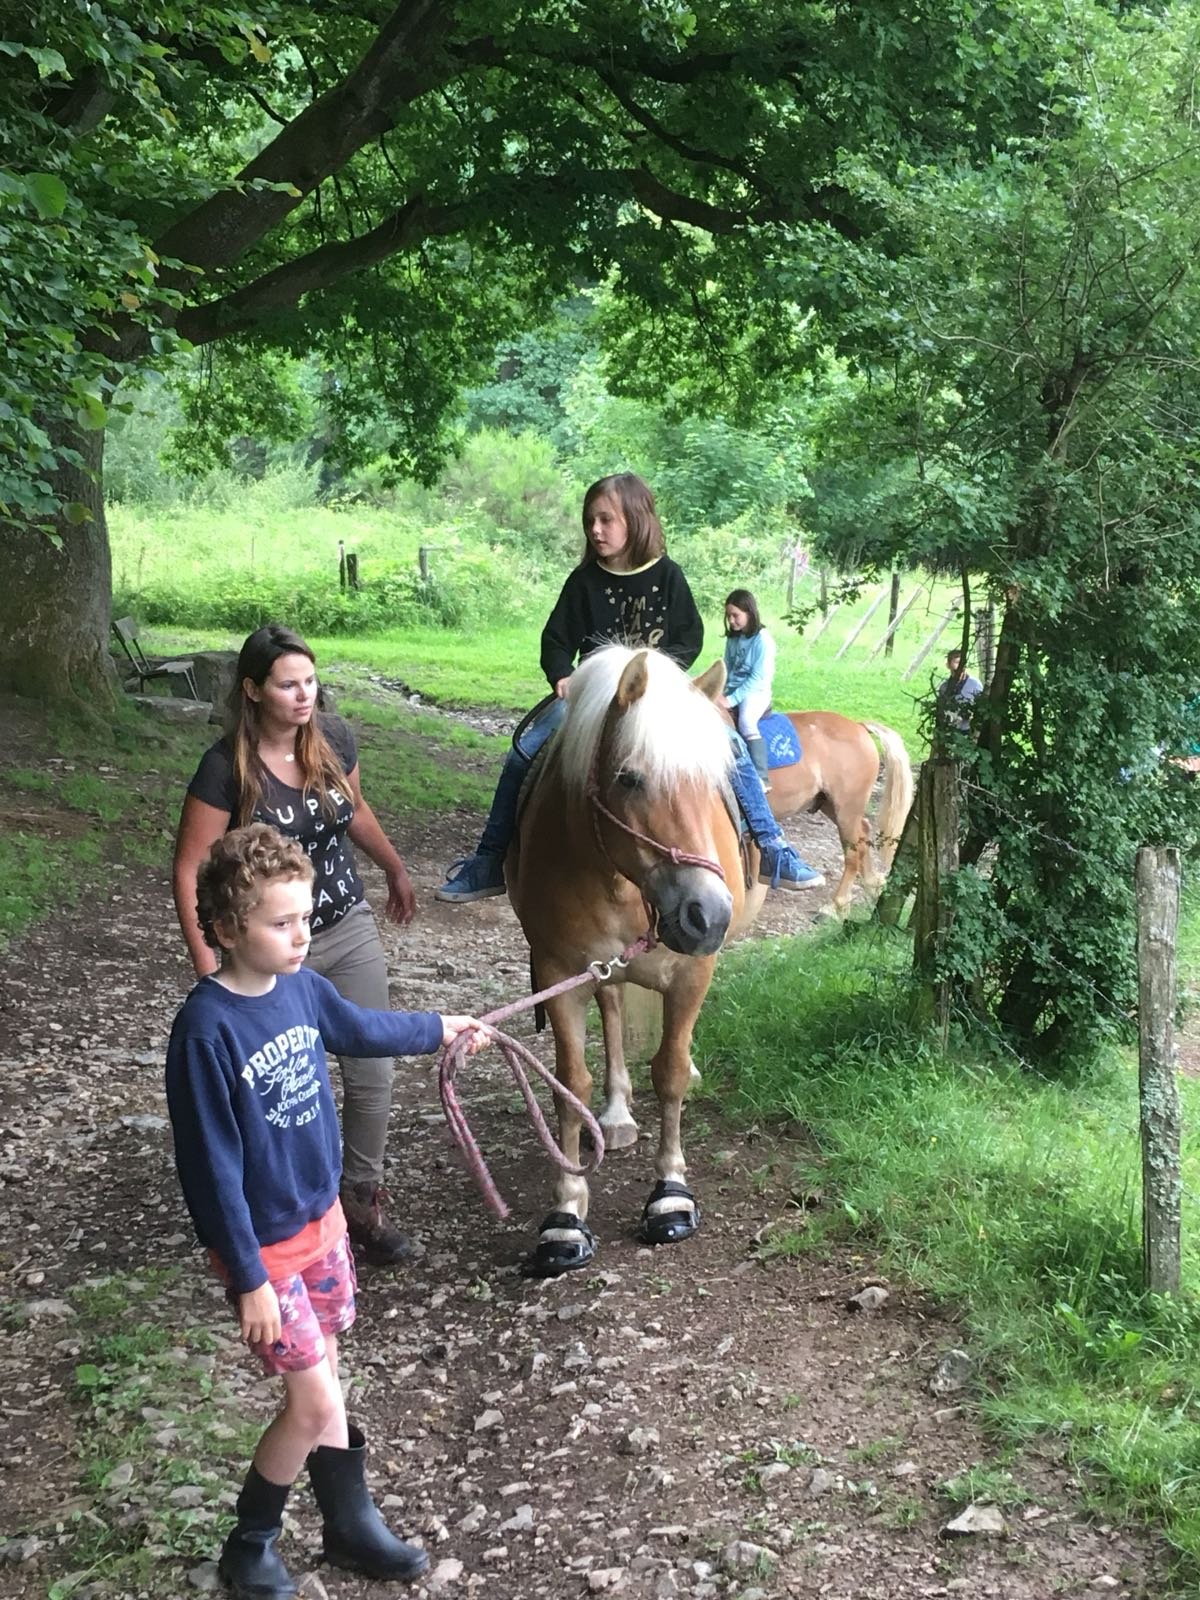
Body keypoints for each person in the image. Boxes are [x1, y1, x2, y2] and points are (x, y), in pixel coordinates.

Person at [166, 824, 488, 1600]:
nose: (301, 935)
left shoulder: (304, 990)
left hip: (324, 1228)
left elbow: (361, 1029)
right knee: (310, 1405)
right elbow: (210, 1172)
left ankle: (348, 1526)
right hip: (266, 1253)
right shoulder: (206, 1031)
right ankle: (250, 1544)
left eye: (305, 917)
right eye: (280, 922)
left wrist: (439, 1028)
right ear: (226, 928)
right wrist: (247, 1277)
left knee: (328, 1380)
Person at [435, 472, 823, 902]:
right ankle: (489, 859)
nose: (595, 529)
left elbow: (688, 637)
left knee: (731, 746)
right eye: (590, 520)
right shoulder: (584, 581)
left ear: (635, 521)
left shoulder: (667, 576)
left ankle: (771, 846)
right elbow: (556, 639)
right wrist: (562, 675)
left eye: (607, 519)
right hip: (593, 699)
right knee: (524, 752)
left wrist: (660, 680)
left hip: (660, 697)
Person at [174, 624, 419, 1267]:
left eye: (310, 681)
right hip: (265, 946)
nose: (304, 694)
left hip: (342, 920)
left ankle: (359, 1199)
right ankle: (282, 1206)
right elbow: (191, 865)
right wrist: (209, 962)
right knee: (285, 1081)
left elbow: (354, 808)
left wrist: (393, 867)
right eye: (288, 685)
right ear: (253, 690)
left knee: (372, 1068)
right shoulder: (225, 768)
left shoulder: (333, 738)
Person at [720, 587, 777, 790]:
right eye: (729, 616)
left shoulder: (763, 640)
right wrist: (720, 691)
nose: (731, 620)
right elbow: (727, 666)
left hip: (756, 692)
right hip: (734, 688)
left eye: (736, 615)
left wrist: (731, 700)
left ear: (749, 613)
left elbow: (757, 678)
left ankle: (761, 777)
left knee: (746, 722)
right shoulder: (733, 638)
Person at [937, 648, 984, 735]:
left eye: (961, 663)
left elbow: (981, 710)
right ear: (948, 665)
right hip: (949, 731)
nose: (959, 667)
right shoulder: (944, 687)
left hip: (968, 731)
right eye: (956, 662)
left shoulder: (975, 685)